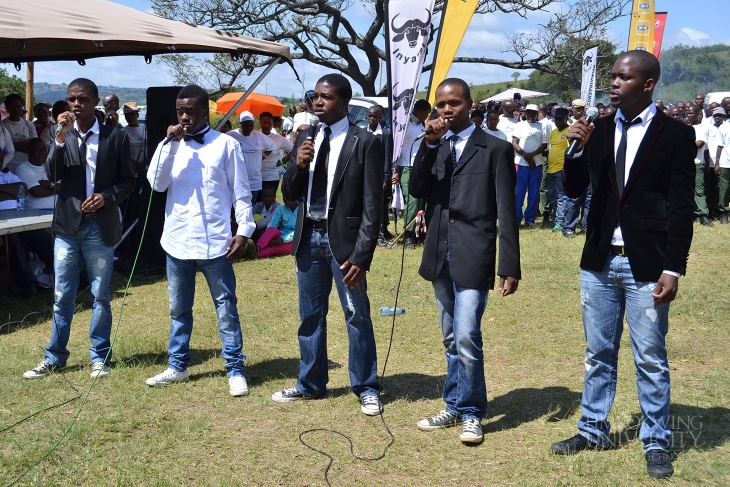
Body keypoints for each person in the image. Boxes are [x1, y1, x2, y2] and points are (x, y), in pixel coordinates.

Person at [551, 50, 696, 480]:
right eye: (612, 76)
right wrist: (574, 151)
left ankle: (656, 440)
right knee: (598, 352)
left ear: (647, 84)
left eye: (623, 77)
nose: (613, 83)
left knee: (649, 356)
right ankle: (592, 429)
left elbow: (683, 206)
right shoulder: (596, 131)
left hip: (647, 263)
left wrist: (674, 268)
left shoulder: (675, 134)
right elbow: (575, 191)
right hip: (599, 261)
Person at [409, 77, 520, 445]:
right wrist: (428, 144)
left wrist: (509, 264)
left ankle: (472, 412)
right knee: (450, 336)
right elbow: (417, 190)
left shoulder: (494, 148)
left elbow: (507, 210)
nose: (445, 110)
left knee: (468, 335)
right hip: (439, 252)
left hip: (475, 253)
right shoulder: (436, 146)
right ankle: (454, 404)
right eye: (441, 105)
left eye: (453, 103)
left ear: (470, 105)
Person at [272, 73, 385, 416]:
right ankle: (310, 383)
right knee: (310, 316)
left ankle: (366, 386)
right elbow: (289, 195)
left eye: (327, 97)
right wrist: (298, 164)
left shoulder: (364, 141)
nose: (318, 102)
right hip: (308, 237)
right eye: (315, 97)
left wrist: (362, 255)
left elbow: (372, 206)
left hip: (344, 243)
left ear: (345, 102)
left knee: (356, 315)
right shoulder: (306, 136)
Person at [145, 84, 255, 397]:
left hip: (216, 242)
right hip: (178, 239)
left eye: (190, 112)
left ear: (204, 111)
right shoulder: (171, 145)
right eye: (180, 112)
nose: (184, 117)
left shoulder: (225, 145)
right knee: (178, 308)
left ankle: (235, 368)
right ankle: (178, 365)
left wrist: (244, 231)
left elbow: (241, 192)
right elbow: (156, 183)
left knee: (225, 307)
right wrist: (168, 146)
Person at [23, 78, 134, 379]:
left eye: (82, 99)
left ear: (94, 101)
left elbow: (129, 181)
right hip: (68, 228)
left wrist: (106, 197)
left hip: (100, 226)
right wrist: (58, 139)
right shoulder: (61, 136)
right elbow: (51, 173)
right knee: (62, 295)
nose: (76, 104)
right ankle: (54, 357)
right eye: (72, 98)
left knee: (100, 295)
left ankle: (99, 356)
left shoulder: (115, 137)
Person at [0, 162, 55, 297]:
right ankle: (28, 284)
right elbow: (17, 192)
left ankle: (67, 273)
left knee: (41, 236)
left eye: (1, 158)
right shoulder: (12, 176)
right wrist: (10, 192)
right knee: (12, 240)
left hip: (18, 216)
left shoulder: (7, 174)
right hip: (3, 223)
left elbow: (22, 189)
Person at [392, 99, 431, 249]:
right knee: (413, 201)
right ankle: (408, 234)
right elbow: (395, 148)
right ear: (420, 111)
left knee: (421, 202)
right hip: (406, 166)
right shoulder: (404, 125)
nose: (427, 117)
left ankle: (417, 232)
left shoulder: (422, 125)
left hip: (421, 167)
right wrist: (395, 169)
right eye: (426, 114)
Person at [226, 110, 277, 203]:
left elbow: (271, 146)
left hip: (254, 180)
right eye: (245, 125)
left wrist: (263, 156)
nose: (248, 128)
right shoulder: (232, 135)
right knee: (236, 208)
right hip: (237, 180)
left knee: (251, 207)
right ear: (240, 124)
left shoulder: (258, 135)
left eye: (251, 125)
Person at [513, 104, 547, 228]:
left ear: (537, 113)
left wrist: (531, 156)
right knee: (519, 192)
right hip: (521, 164)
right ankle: (516, 218)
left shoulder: (541, 126)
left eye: (534, 113)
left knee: (533, 192)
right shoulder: (519, 125)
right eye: (529, 112)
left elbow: (544, 145)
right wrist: (526, 156)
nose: (531, 115)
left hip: (536, 164)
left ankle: (530, 219)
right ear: (525, 113)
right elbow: (515, 143)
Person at [685, 104, 713, 226]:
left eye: (692, 113)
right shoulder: (684, 127)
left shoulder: (703, 128)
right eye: (688, 113)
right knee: (686, 190)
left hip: (697, 163)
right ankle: (691, 213)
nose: (689, 115)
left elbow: (700, 144)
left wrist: (683, 144)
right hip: (685, 163)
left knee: (699, 190)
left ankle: (703, 214)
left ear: (699, 114)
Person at [545, 107, 570, 232]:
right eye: (556, 119)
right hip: (551, 169)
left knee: (561, 197)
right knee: (552, 196)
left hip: (562, 169)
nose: (557, 121)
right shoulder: (553, 133)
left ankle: (559, 222)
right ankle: (558, 217)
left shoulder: (570, 131)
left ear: (566, 119)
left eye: (560, 119)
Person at [15, 138, 59, 209]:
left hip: (57, 212)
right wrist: (57, 189)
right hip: (36, 213)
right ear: (29, 152)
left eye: (44, 149)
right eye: (38, 150)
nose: (42, 153)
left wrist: (49, 184)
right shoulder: (23, 168)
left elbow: (65, 188)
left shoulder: (50, 167)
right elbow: (37, 192)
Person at [1, 93, 38, 172]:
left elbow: (35, 145)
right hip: (8, 167)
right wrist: (26, 143)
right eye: (12, 107)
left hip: (28, 166)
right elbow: (5, 150)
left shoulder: (29, 124)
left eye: (18, 106)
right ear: (7, 109)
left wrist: (13, 145)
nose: (16, 109)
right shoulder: (2, 126)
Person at [260, 111, 293, 194]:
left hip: (272, 176)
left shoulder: (278, 139)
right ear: (260, 123)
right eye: (264, 123)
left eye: (269, 123)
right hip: (257, 177)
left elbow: (294, 150)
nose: (266, 125)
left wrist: (282, 161)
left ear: (272, 124)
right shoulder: (255, 136)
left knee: (269, 202)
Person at [256, 194, 299, 258]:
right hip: (282, 234)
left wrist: (282, 239)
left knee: (274, 248)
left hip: (295, 241)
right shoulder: (281, 209)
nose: (285, 199)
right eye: (284, 196)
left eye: (287, 196)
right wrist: (270, 237)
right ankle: (257, 247)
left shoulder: (302, 210)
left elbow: (299, 231)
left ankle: (255, 254)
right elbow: (272, 224)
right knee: (271, 230)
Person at [715, 108, 730, 223]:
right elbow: (719, 146)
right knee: (724, 188)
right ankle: (724, 212)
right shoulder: (723, 128)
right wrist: (717, 163)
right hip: (726, 161)